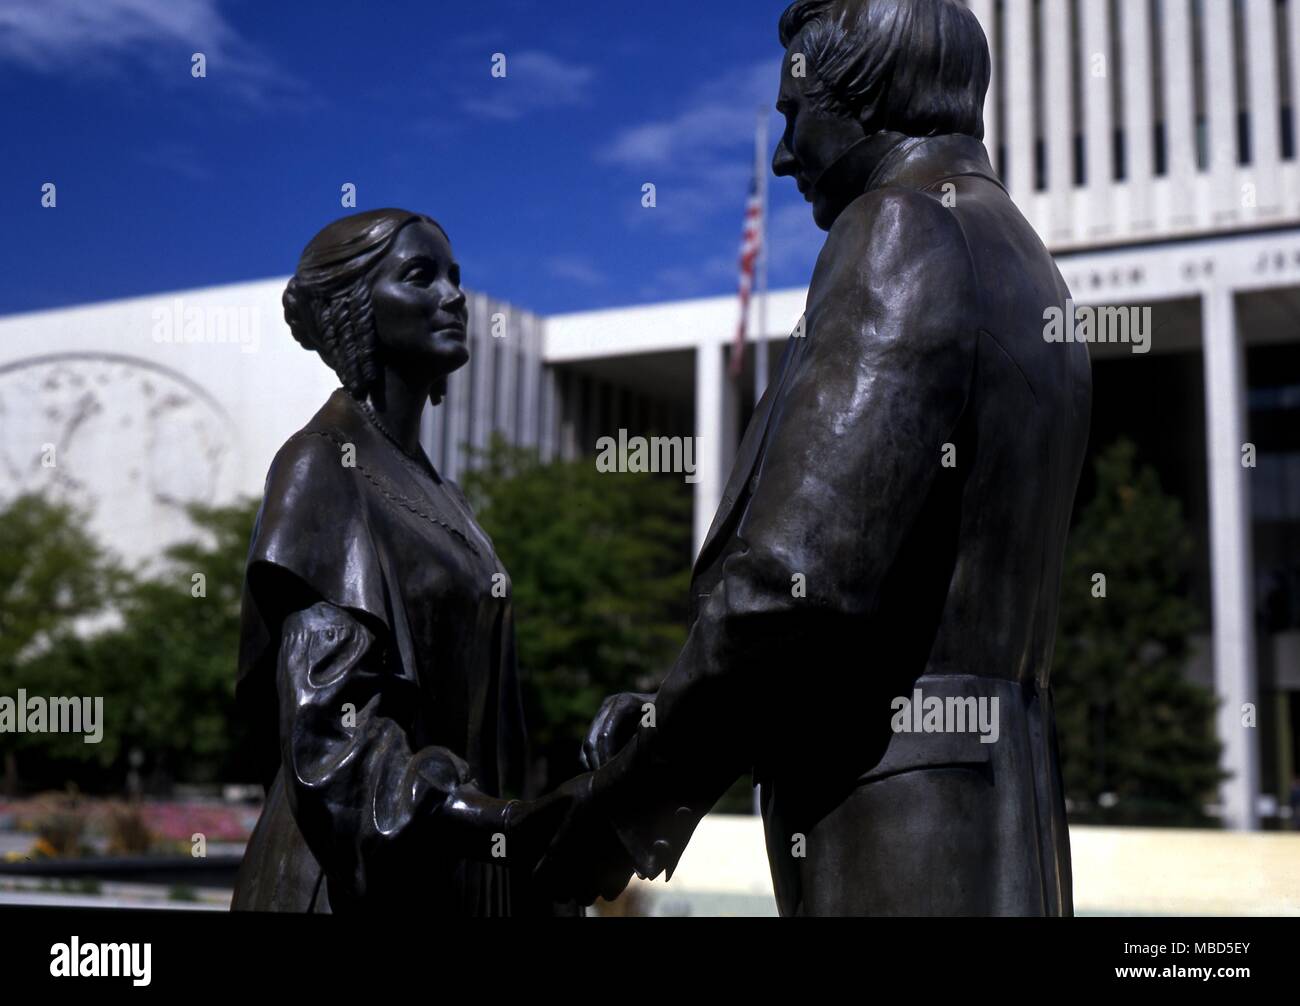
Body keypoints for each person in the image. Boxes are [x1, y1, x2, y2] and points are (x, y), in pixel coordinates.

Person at [550, 0, 1092, 916]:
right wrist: (666, 708)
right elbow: (914, 585)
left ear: (869, 94)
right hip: (1008, 815)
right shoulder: (1031, 269)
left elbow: (793, 586)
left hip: (892, 823)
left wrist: (622, 805)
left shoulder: (900, 229)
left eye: (795, 115)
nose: (782, 154)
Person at [230, 209, 623, 914]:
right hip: (345, 888)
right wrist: (502, 821)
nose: (454, 296)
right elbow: (331, 741)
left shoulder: (447, 495)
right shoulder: (320, 464)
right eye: (421, 277)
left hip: (446, 878)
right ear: (356, 308)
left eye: (456, 278)